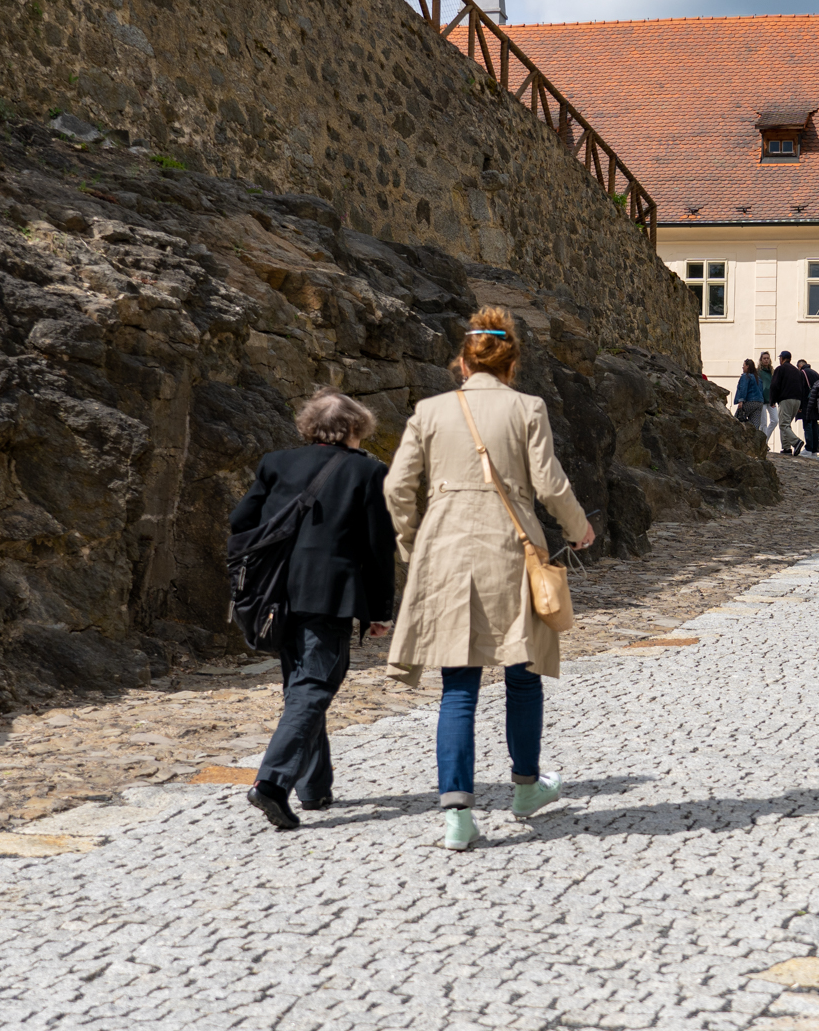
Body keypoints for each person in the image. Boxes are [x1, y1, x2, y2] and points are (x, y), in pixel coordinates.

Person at [382, 306, 597, 851]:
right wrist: (579, 528)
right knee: (523, 674)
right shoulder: (528, 408)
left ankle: (457, 815)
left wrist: (411, 543)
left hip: (445, 548)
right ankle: (525, 788)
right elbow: (548, 482)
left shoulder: (430, 411)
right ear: (511, 363)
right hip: (511, 547)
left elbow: (396, 488)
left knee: (459, 685)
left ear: (463, 362)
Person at [230, 389, 396, 831]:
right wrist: (380, 610)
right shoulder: (369, 471)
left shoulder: (276, 463)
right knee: (314, 686)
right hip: (330, 594)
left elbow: (241, 521)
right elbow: (379, 548)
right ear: (355, 427)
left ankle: (314, 787)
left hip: (274, 592)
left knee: (301, 687)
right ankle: (271, 783)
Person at [771, 348, 809, 455]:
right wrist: (801, 405)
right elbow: (802, 388)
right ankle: (786, 448)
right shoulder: (797, 371)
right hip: (797, 400)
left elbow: (774, 385)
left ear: (782, 359)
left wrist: (772, 399)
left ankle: (796, 442)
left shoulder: (780, 369)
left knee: (783, 424)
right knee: (786, 424)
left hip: (786, 399)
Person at [798, 359, 819, 455]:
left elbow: (801, 390)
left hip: (806, 403)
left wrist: (799, 406)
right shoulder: (815, 373)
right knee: (814, 425)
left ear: (800, 366)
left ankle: (809, 448)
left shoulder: (802, 373)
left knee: (807, 425)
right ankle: (815, 449)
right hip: (816, 403)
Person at [732, 358, 764, 424]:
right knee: (755, 424)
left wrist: (741, 400)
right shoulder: (758, 378)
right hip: (759, 402)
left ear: (747, 366)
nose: (742, 367)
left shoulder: (745, 376)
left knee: (737, 421)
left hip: (750, 401)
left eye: (743, 365)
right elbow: (761, 390)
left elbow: (743, 388)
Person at [756, 351, 778, 443]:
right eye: (764, 358)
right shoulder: (758, 372)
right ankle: (763, 444)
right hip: (762, 399)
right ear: (761, 360)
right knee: (763, 423)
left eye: (767, 358)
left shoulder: (772, 372)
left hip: (771, 399)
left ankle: (765, 441)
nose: (766, 360)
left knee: (775, 420)